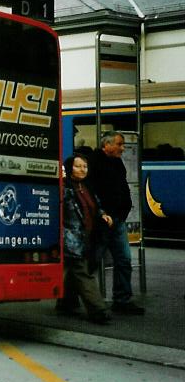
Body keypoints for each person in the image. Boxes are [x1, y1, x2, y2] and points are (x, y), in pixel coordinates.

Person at [89, 131, 145, 314]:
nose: (123, 148)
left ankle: (122, 300)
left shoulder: (117, 163)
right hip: (102, 221)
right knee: (91, 262)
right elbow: (93, 193)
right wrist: (102, 213)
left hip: (118, 220)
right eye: (119, 144)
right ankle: (69, 299)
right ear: (107, 145)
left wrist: (123, 211)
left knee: (124, 259)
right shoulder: (94, 163)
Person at [57, 154, 113, 324]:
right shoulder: (65, 188)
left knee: (75, 272)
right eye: (78, 166)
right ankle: (98, 310)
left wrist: (103, 214)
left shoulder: (86, 186)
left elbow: (96, 206)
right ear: (69, 168)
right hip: (71, 239)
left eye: (85, 167)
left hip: (88, 237)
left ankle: (66, 302)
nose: (82, 170)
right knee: (83, 272)